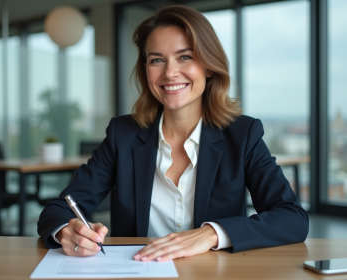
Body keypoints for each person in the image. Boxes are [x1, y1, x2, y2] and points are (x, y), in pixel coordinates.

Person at [37, 4, 309, 262]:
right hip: (136, 270)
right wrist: (66, 230)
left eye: (185, 57)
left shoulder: (243, 134)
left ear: (209, 66)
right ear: (146, 71)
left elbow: (292, 218)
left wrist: (211, 233)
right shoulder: (123, 135)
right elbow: (58, 210)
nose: (170, 72)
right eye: (157, 60)